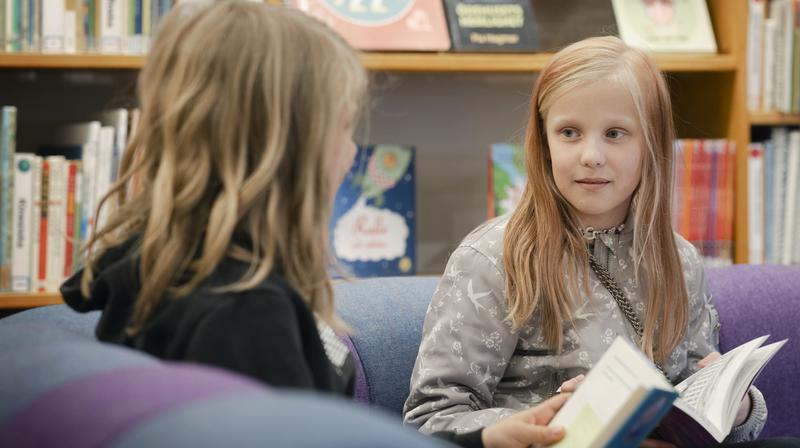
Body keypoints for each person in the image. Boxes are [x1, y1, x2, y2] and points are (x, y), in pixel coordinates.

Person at [60, 2, 569, 447]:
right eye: (343, 128)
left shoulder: (159, 266)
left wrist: (480, 437)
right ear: (285, 148)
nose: (351, 153)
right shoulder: (243, 317)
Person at [404, 35, 799, 448]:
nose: (591, 155)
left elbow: (695, 394)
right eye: (570, 132)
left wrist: (736, 408)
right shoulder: (493, 257)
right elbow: (431, 420)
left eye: (615, 133)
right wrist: (551, 419)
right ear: (544, 143)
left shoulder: (679, 259)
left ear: (652, 145)